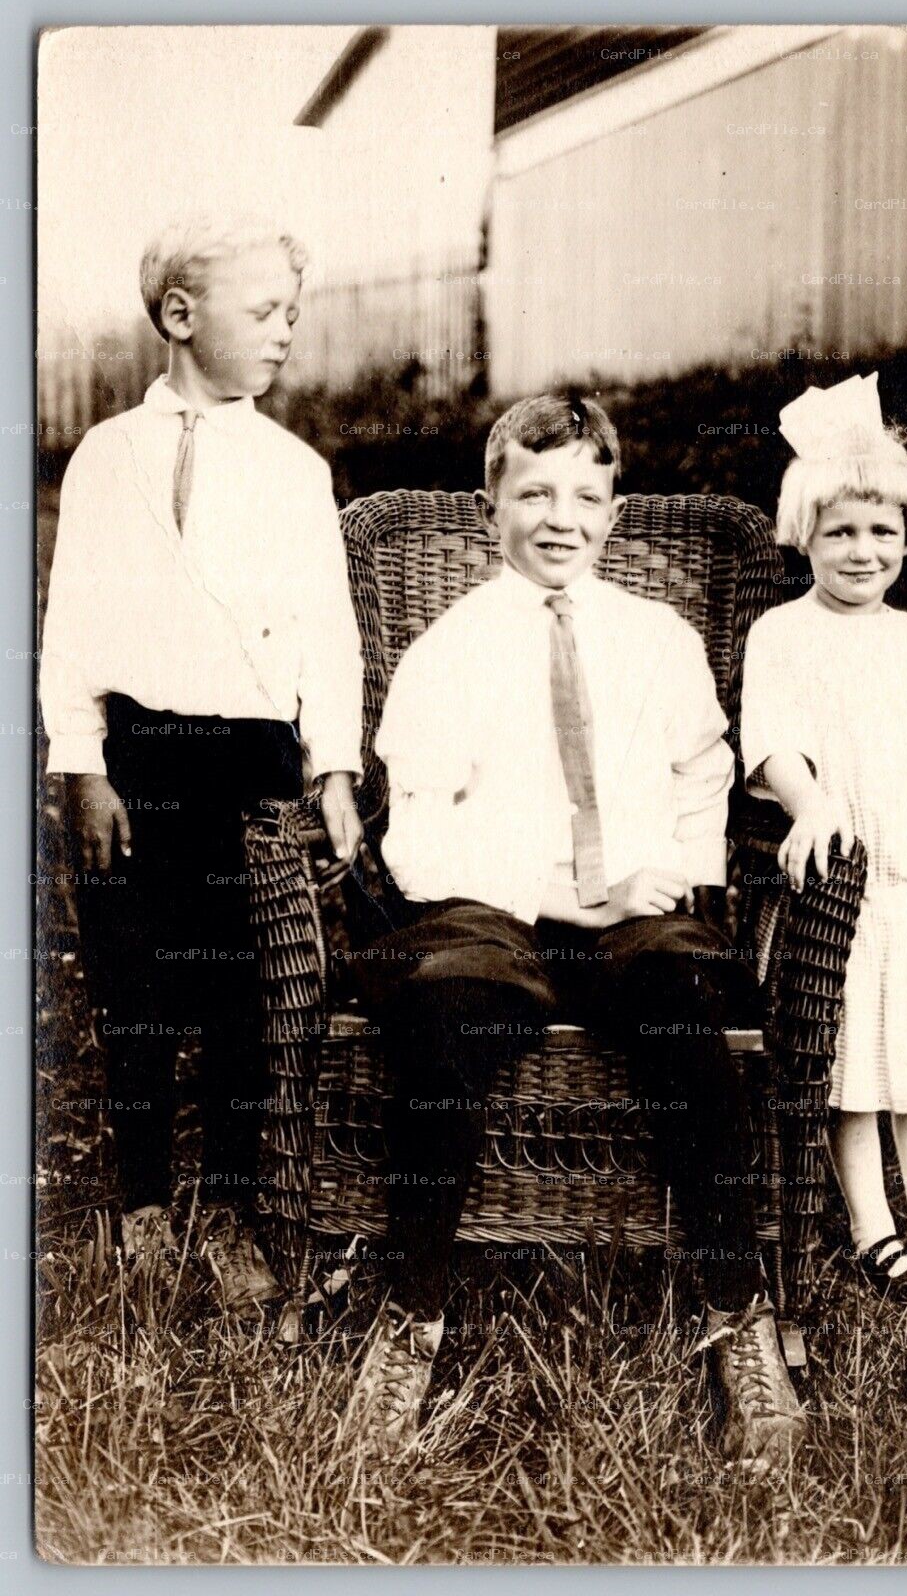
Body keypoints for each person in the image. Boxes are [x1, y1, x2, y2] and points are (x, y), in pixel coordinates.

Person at [347, 394, 804, 1468]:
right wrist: (555, 890)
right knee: (441, 1010)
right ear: (487, 505)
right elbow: (415, 834)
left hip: (634, 910)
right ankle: (411, 1317)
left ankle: (737, 1315)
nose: (562, 518)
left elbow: (705, 779)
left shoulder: (659, 639)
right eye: (535, 493)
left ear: (615, 512)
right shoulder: (448, 649)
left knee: (687, 1001)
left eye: (586, 497)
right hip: (488, 906)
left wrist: (670, 877)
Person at [40, 215, 364, 1315]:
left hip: (251, 762)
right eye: (265, 311)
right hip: (139, 754)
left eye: (293, 313)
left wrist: (333, 768)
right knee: (132, 978)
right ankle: (141, 1200)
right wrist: (82, 762)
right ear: (181, 317)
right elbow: (73, 621)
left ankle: (226, 1204)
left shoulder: (293, 470)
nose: (286, 333)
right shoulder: (105, 458)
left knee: (235, 987)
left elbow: (329, 633)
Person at [740, 372, 907, 1301]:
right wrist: (810, 803)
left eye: (880, 531)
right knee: (854, 1065)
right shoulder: (782, 634)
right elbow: (770, 741)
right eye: (839, 530)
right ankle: (871, 1228)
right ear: (802, 534)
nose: (861, 551)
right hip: (840, 886)